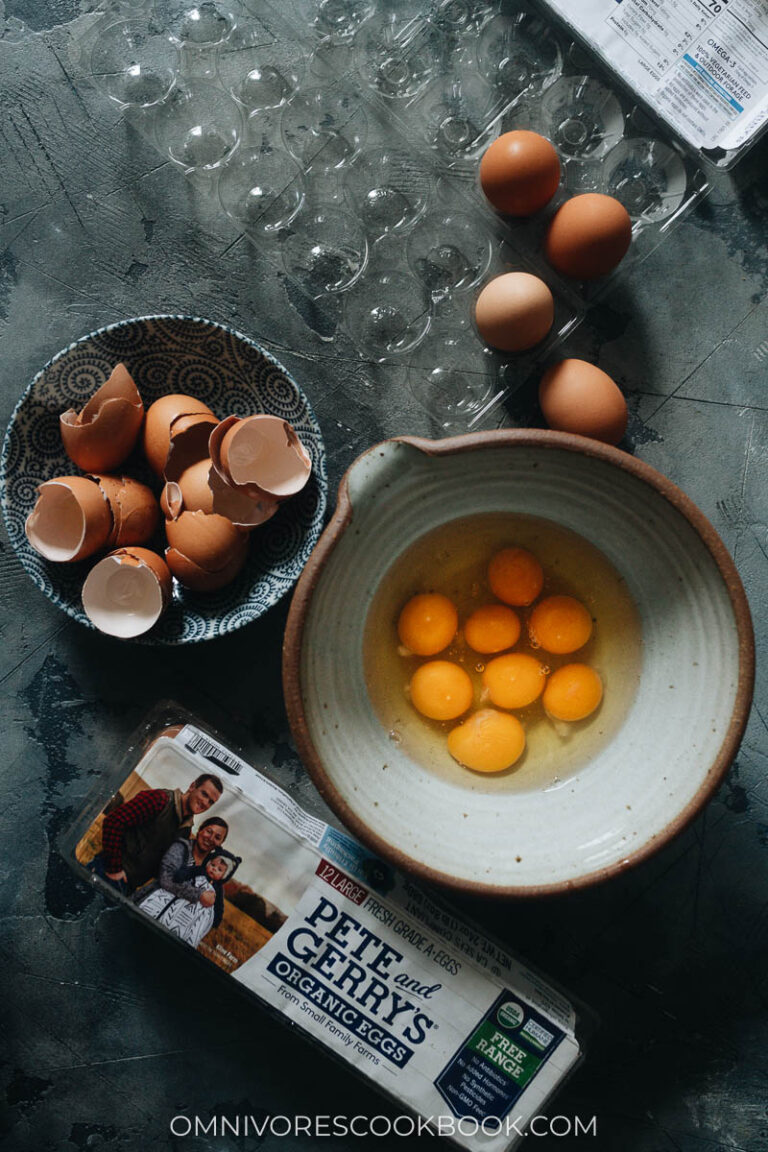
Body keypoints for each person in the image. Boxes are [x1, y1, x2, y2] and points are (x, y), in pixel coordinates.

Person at [90, 773, 224, 894]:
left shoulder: (185, 830)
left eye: (211, 802)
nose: (205, 802)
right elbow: (113, 822)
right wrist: (114, 870)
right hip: (106, 872)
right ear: (192, 786)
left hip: (128, 887)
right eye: (204, 794)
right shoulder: (160, 799)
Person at [135, 846, 242, 949]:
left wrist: (216, 920)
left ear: (225, 875)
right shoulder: (199, 870)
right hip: (183, 900)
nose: (214, 869)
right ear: (208, 862)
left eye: (219, 869)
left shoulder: (218, 889)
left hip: (197, 914)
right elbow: (185, 873)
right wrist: (181, 876)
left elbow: (219, 906)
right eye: (213, 865)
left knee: (187, 930)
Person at [132, 816, 230, 913]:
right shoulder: (181, 847)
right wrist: (199, 895)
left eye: (217, 837)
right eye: (209, 831)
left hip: (177, 922)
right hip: (147, 907)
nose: (211, 838)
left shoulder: (213, 867)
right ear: (200, 830)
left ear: (221, 843)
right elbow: (166, 879)